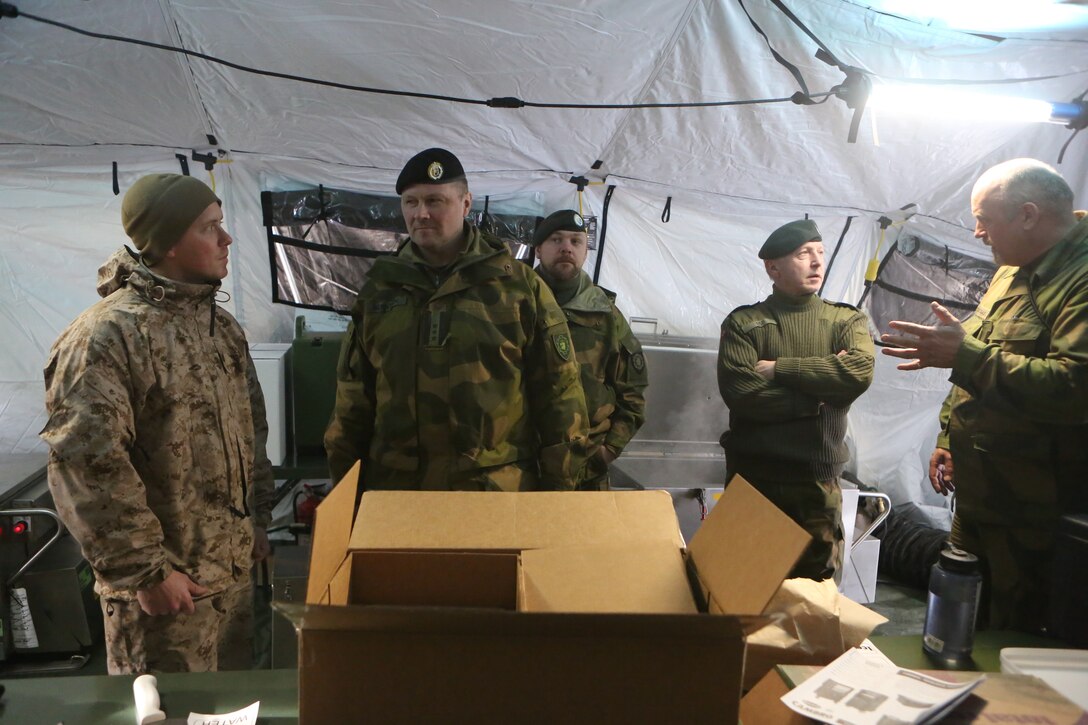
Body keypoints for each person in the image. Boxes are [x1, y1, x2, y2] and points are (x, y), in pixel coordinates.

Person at [41, 173, 274, 674]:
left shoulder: (220, 327)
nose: (226, 240)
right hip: (167, 596)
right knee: (166, 711)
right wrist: (145, 573)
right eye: (210, 228)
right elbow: (87, 464)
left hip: (229, 582)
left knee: (231, 710)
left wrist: (257, 519)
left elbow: (250, 429)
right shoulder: (109, 335)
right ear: (168, 243)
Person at [881, 158, 1088, 633]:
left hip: (1037, 515)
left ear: (1029, 215)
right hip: (982, 498)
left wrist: (967, 357)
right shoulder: (1011, 270)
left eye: (983, 220)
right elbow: (976, 346)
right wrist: (949, 436)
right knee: (959, 619)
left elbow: (1075, 387)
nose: (976, 233)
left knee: (1016, 639)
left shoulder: (1079, 280)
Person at [324, 148, 589, 491]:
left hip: (491, 496)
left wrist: (558, 495)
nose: (421, 214)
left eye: (435, 201)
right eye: (411, 202)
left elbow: (561, 396)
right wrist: (344, 495)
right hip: (396, 496)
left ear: (466, 204)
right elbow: (352, 402)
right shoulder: (380, 291)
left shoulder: (518, 288)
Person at [717, 219, 875, 581]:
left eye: (820, 252)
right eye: (804, 254)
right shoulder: (746, 323)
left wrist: (781, 369)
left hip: (816, 485)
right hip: (754, 480)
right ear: (773, 268)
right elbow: (743, 394)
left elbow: (857, 374)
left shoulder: (844, 320)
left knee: (812, 594)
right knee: (742, 584)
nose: (817, 262)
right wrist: (816, 399)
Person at [531, 209, 648, 489]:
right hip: (520, 468)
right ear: (538, 249)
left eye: (575, 241)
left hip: (586, 471)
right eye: (556, 240)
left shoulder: (605, 314)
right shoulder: (514, 303)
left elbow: (632, 391)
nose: (566, 248)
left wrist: (607, 451)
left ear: (585, 252)